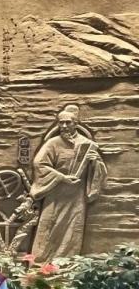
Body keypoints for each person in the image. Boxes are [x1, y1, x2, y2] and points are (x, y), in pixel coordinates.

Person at [29, 105, 107, 261]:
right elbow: (39, 164)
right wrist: (61, 177)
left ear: (76, 123)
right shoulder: (53, 143)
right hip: (55, 193)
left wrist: (95, 162)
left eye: (68, 122)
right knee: (49, 226)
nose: (64, 126)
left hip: (76, 196)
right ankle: (41, 264)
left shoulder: (86, 143)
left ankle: (66, 264)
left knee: (72, 229)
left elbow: (100, 171)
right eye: (61, 123)